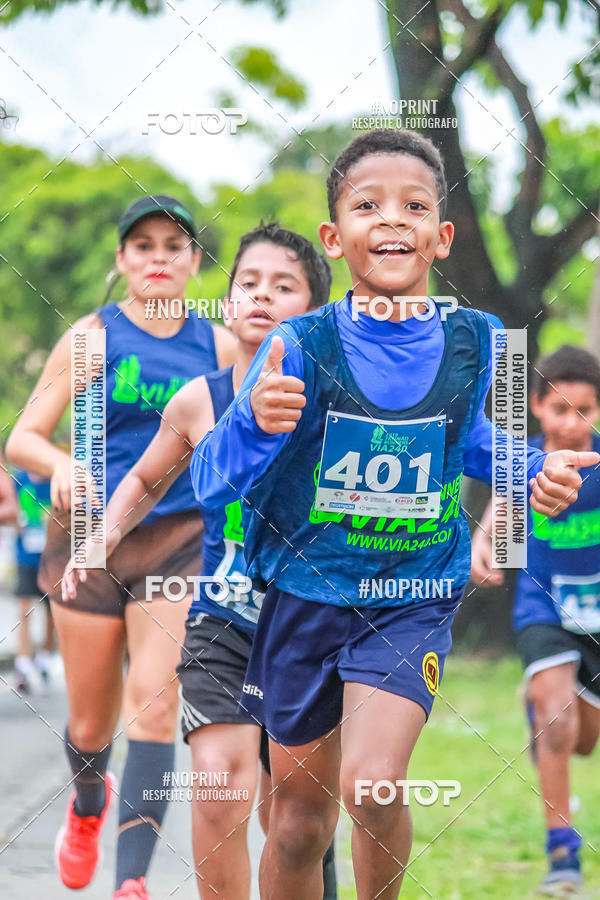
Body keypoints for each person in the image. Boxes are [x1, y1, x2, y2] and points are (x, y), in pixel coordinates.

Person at [191, 129, 599, 900]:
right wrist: (254, 423)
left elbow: (470, 440)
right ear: (334, 235)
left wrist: (534, 467)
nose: (391, 220)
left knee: (374, 787)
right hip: (304, 598)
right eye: (367, 204)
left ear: (441, 237)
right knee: (299, 825)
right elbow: (210, 482)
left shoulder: (478, 341)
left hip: (410, 597)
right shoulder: (297, 345)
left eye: (414, 207)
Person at [62, 221, 337, 900]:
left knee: (297, 820)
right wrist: (101, 535)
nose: (262, 297)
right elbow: (148, 478)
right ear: (230, 297)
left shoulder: (337, 401)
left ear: (315, 311)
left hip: (312, 624)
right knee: (218, 788)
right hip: (223, 622)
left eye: (284, 286)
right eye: (248, 283)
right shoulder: (200, 398)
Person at [6, 194, 236, 900]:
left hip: (178, 540)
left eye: (174, 245)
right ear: (122, 260)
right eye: (144, 245)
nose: (159, 257)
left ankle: (129, 881)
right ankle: (85, 804)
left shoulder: (219, 346)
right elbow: (22, 438)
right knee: (89, 722)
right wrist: (60, 466)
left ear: (194, 261)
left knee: (155, 705)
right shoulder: (92, 337)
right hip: (86, 542)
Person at [471, 344, 600, 896]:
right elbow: (503, 513)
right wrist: (486, 544)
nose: (572, 423)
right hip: (542, 608)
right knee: (555, 716)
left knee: (582, 739)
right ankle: (562, 856)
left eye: (585, 411)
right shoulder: (522, 459)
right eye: (560, 409)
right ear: (538, 408)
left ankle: (548, 711)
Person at [11, 467, 54, 692]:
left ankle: (44, 659)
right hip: (25, 556)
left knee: (51, 612)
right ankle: (23, 663)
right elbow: (9, 507)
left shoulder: (55, 478)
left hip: (50, 557)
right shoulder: (19, 479)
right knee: (24, 609)